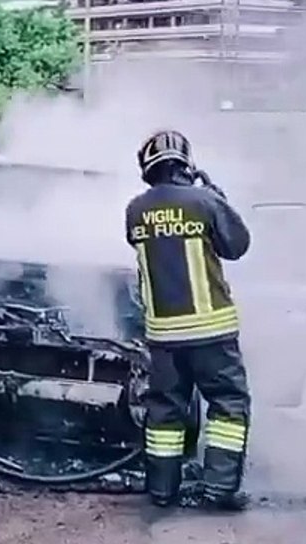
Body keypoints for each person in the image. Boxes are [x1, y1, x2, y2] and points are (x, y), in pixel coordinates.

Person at [124, 129, 253, 512]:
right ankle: (219, 488)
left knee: (165, 410)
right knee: (228, 405)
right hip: (211, 330)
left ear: (148, 170)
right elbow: (237, 246)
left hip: (163, 334)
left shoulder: (134, 209)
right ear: (186, 164)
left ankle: (163, 491)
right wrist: (217, 196)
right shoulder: (204, 201)